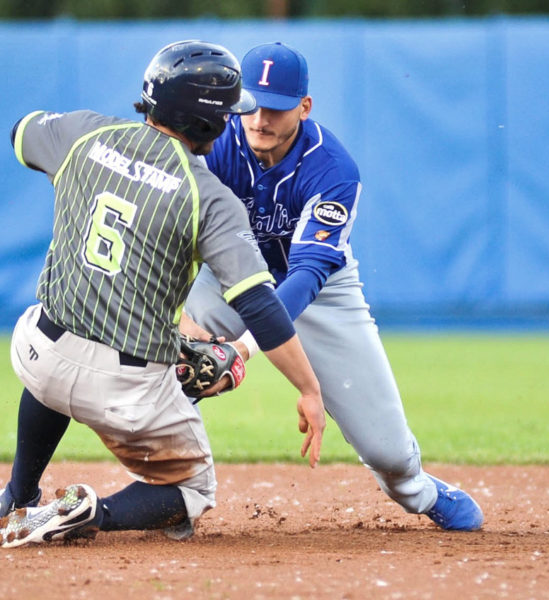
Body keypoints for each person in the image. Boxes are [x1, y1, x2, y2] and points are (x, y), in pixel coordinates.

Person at [0, 40, 326, 549]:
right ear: (207, 123)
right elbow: (259, 306)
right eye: (224, 113)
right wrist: (308, 388)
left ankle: (17, 493)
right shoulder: (210, 196)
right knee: (194, 488)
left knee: (52, 361)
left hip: (38, 352)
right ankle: (94, 512)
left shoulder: (86, 133)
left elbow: (21, 132)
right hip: (124, 386)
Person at [182, 42, 484, 531]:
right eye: (250, 104)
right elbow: (167, 234)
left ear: (304, 106)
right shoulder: (210, 146)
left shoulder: (333, 168)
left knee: (389, 452)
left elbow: (305, 275)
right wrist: (179, 311)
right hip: (228, 279)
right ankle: (165, 492)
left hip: (321, 295)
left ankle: (421, 490)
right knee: (164, 369)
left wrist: (241, 349)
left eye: (276, 108)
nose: (260, 119)